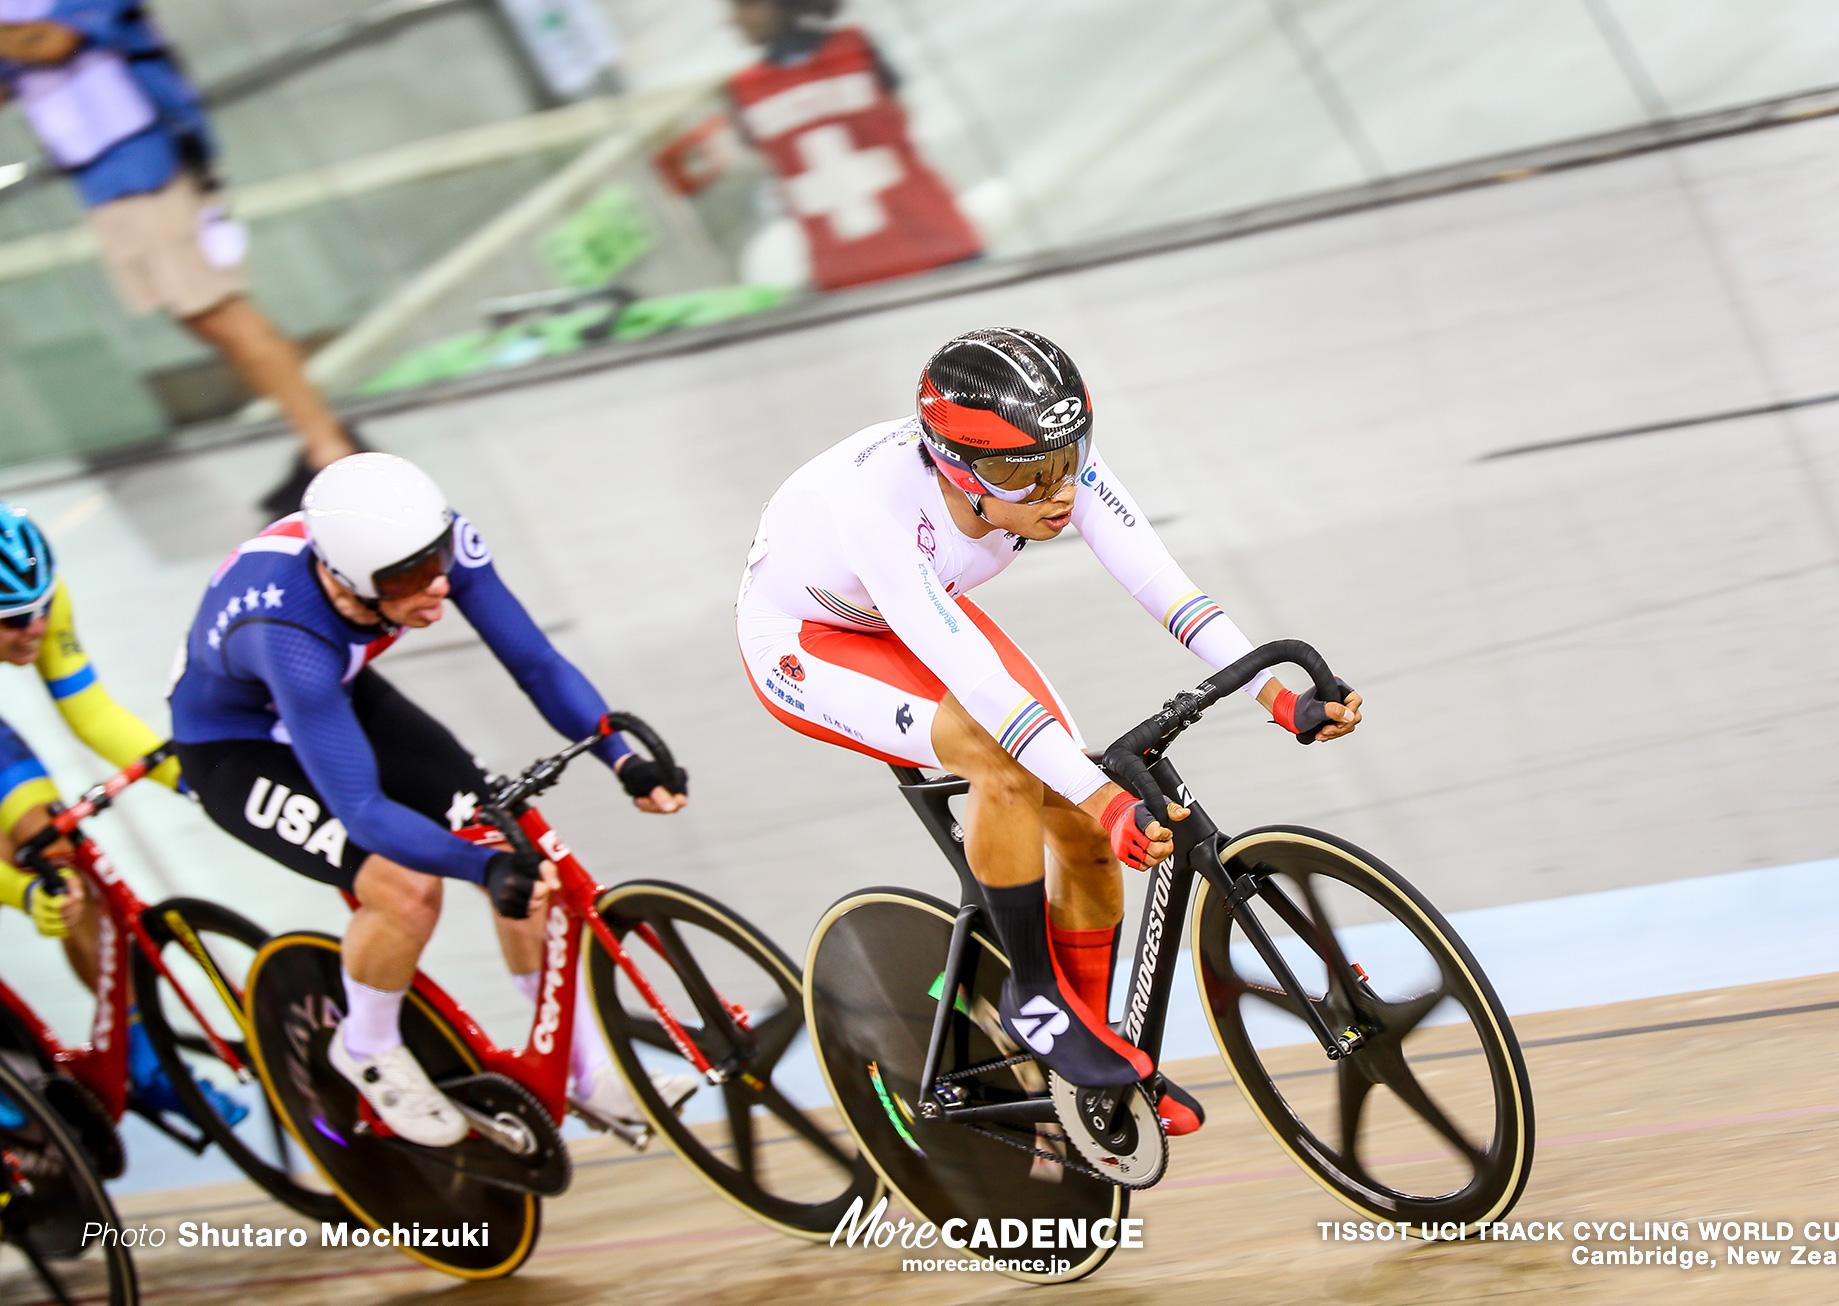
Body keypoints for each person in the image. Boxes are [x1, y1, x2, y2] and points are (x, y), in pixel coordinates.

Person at [736, 328, 1360, 1135]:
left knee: (1084, 825)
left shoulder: (1049, 458)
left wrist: (1274, 694)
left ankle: (1081, 1049)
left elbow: (1159, 583)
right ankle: (1034, 993)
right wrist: (1105, 796)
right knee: (1005, 760)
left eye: (1069, 460)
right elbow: (983, 688)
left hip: (920, 616)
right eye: (1025, 477)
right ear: (957, 466)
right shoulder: (878, 509)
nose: (1057, 490)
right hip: (807, 642)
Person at [168, 453, 691, 1146]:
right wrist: (478, 872)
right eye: (411, 580)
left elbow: (535, 662)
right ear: (344, 581)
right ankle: (366, 1050)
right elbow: (363, 813)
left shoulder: (416, 546)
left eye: (438, 560)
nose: (438, 586)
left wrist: (617, 754)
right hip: (235, 743)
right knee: (407, 888)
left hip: (337, 694)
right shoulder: (289, 636)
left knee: (513, 845)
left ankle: (584, 1070)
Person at [0, 4, 358, 515]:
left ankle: (331, 449)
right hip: (99, 175)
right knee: (200, 317)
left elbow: (55, 41)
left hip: (149, 160)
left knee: (220, 310)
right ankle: (321, 442)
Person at [0, 500, 243, 1125]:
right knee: (26, 880)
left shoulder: (41, 599)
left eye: (42, 607)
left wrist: (197, 781)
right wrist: (20, 895)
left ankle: (140, 1058)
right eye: (13, 619)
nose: (35, 626)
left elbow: (94, 715)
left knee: (59, 855)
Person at [725, 0, 983, 291]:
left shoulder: (749, 92)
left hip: (913, 253)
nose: (732, 21)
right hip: (893, 257)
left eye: (741, 7)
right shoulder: (854, 50)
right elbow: (902, 115)